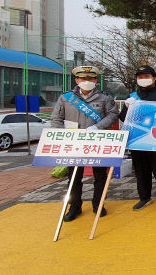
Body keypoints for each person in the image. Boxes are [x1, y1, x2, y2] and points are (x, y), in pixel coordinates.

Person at [51, 66, 119, 222]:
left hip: (96, 141)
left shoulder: (104, 98)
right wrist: (62, 134)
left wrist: (97, 126)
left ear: (95, 80)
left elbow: (113, 115)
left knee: (100, 175)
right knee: (74, 177)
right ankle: (74, 206)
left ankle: (98, 204)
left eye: (90, 79)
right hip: (74, 142)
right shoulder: (66, 98)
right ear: (77, 80)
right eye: (83, 79)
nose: (86, 82)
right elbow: (56, 118)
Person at [119, 65, 156, 210]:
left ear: (154, 78)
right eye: (140, 77)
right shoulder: (132, 97)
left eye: (146, 76)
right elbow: (123, 118)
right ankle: (144, 197)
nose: (143, 79)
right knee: (141, 171)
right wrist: (126, 106)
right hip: (138, 139)